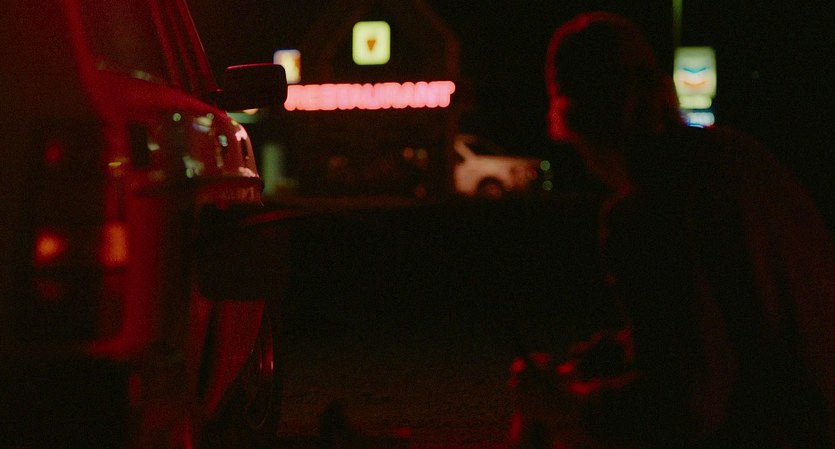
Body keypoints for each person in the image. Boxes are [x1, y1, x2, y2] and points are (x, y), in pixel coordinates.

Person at [508, 11, 835, 449]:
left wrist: (569, 404)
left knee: (547, 429)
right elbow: (722, 325)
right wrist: (612, 355)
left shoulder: (652, 209)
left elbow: (686, 403)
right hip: (816, 418)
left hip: (771, 431)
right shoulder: (736, 159)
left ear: (576, 121)